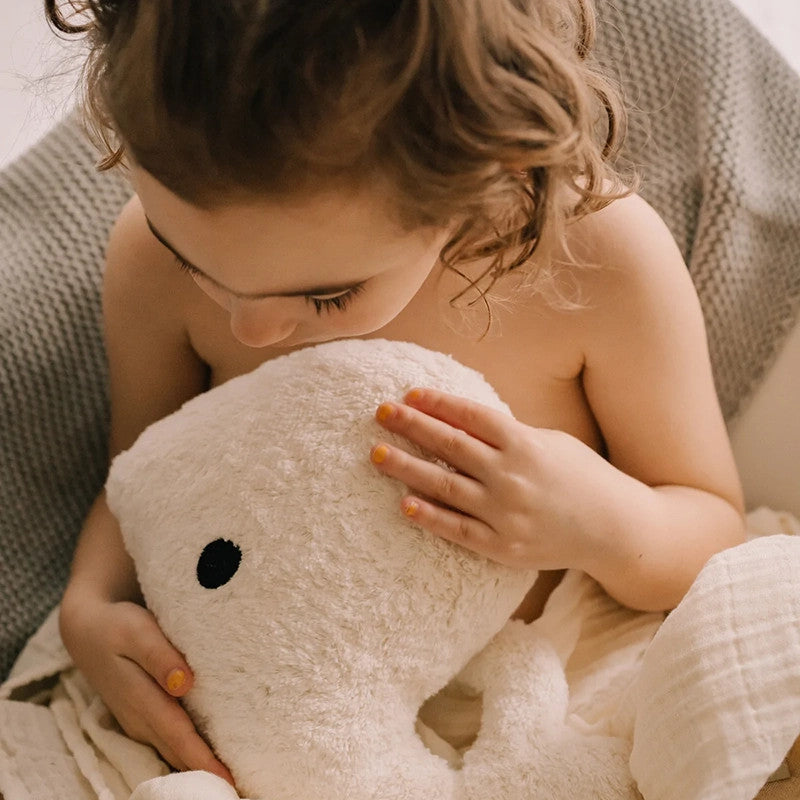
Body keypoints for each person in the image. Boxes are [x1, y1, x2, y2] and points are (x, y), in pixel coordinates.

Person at [46, 0, 745, 785]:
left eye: (327, 295)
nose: (248, 327)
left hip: (553, 683)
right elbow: (143, 474)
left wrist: (598, 522)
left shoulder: (597, 258)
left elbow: (716, 531)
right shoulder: (145, 259)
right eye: (190, 260)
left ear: (487, 168)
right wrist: (90, 603)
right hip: (270, 706)